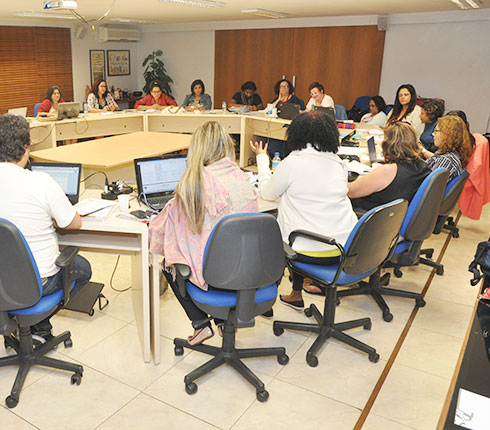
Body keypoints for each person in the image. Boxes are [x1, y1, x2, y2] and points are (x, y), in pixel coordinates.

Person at [0, 114, 92, 342]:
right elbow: (74, 223)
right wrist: (50, 217)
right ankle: (36, 325)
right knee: (82, 268)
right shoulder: (40, 181)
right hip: (34, 284)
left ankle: (28, 325)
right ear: (25, 148)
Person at [149, 121, 257, 345]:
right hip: (250, 272)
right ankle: (222, 322)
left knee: (170, 260)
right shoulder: (241, 177)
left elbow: (164, 231)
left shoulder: (193, 185)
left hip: (215, 277)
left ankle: (200, 324)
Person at [252, 111, 358, 310]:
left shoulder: (293, 162)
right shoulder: (338, 163)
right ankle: (296, 294)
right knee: (299, 220)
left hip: (308, 250)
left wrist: (262, 159)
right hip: (343, 248)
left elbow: (267, 192)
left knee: (278, 231)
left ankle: (264, 303)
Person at [348, 122, 430, 212]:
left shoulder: (387, 171)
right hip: (396, 215)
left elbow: (349, 191)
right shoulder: (423, 166)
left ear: (388, 144)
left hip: (371, 215)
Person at [422, 115, 473, 181]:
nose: (433, 134)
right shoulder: (445, 153)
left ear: (447, 135)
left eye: (436, 131)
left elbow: (429, 183)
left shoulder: (447, 160)